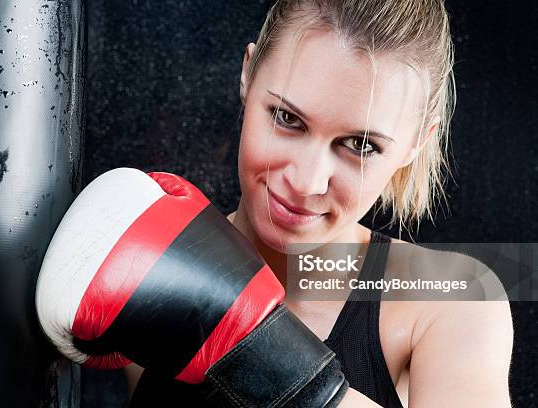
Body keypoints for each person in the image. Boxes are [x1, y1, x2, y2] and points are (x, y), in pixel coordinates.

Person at [126, 0, 513, 406]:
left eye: (361, 145)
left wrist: (252, 344)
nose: (307, 182)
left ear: (417, 141)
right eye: (287, 118)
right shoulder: (152, 274)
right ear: (247, 73)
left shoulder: (451, 299)